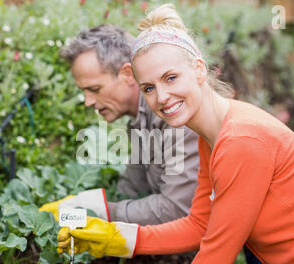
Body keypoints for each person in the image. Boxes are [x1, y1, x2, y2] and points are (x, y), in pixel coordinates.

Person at [56, 4, 294, 264]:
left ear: (198, 69)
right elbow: (200, 225)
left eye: (171, 78)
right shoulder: (210, 137)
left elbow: (216, 255)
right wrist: (118, 238)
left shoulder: (240, 140)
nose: (161, 96)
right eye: (148, 88)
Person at [41, 25, 200, 225]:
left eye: (95, 89)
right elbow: (134, 185)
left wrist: (103, 212)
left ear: (127, 74)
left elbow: (177, 209)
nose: (88, 101)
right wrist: (82, 205)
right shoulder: (140, 119)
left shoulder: (173, 115)